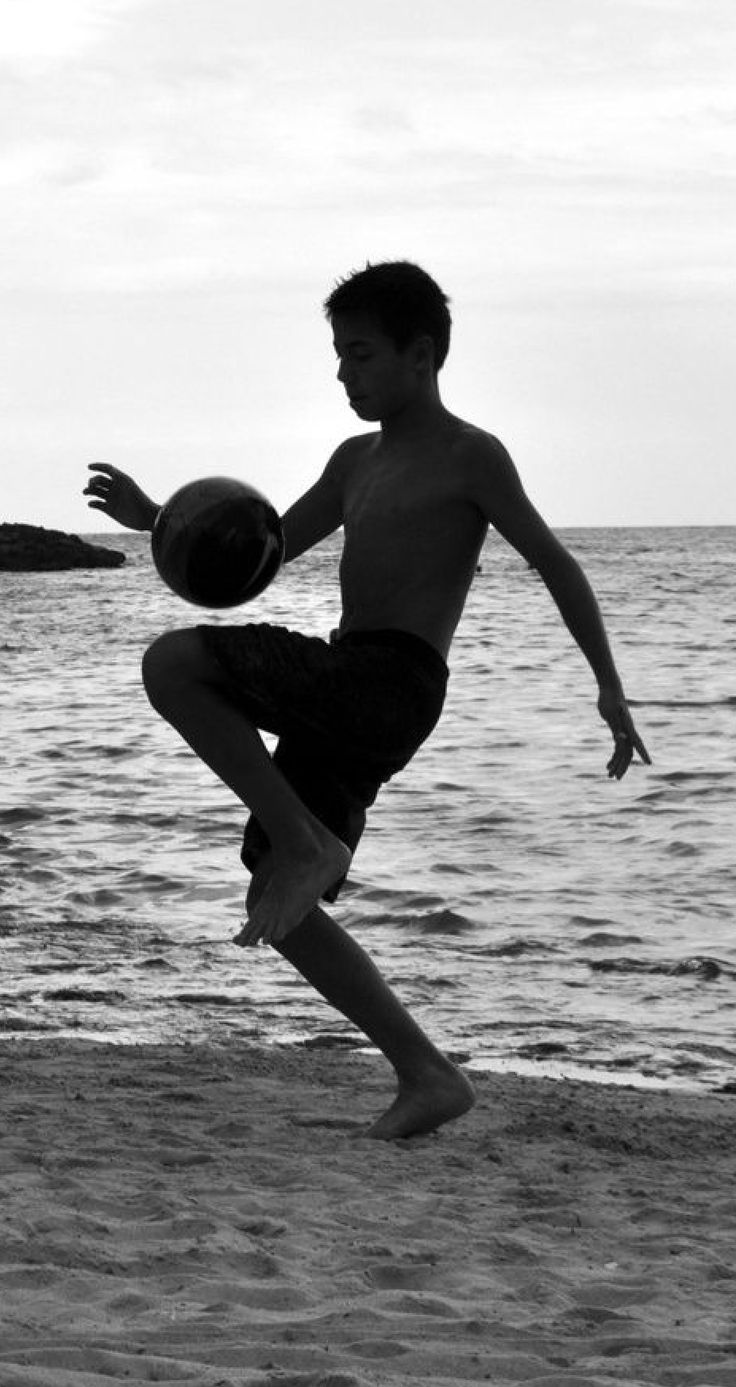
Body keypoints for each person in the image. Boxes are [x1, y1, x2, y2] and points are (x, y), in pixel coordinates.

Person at [84, 260, 650, 1140]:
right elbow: (264, 551)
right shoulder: (354, 461)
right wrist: (156, 515)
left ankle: (309, 842)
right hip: (346, 679)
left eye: (360, 354)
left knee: (173, 665)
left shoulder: (471, 455)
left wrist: (610, 688)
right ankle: (427, 1073)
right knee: (276, 894)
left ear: (421, 354)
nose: (343, 372)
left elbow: (556, 564)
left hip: (394, 681)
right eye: (339, 354)